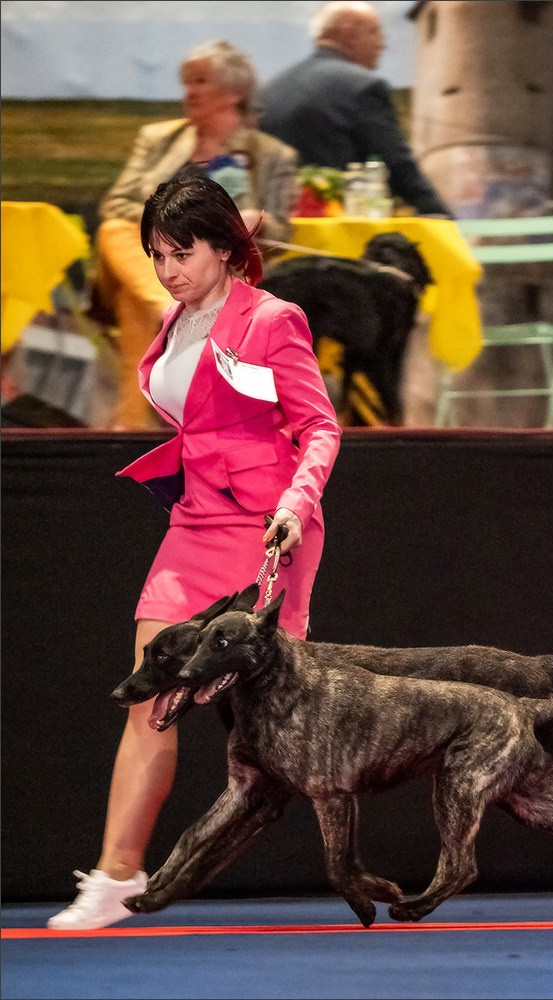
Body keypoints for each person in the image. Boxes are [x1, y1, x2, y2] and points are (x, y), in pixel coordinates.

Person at [47, 165, 342, 930]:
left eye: (181, 253)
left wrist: (294, 503)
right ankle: (116, 876)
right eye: (157, 255)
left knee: (280, 730)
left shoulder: (272, 319)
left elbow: (319, 428)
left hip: (264, 528)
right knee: (149, 698)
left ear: (224, 248)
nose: (167, 271)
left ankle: (367, 850)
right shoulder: (172, 323)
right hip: (192, 526)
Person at [95, 39, 300, 430]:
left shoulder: (273, 155)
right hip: (148, 256)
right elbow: (117, 202)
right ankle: (165, 304)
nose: (188, 92)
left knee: (133, 302)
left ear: (234, 92)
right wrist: (176, 226)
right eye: (186, 82)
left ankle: (132, 426)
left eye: (200, 81)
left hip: (216, 267)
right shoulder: (158, 140)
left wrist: (257, 221)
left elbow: (281, 233)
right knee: (115, 230)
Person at [260, 0, 451, 218]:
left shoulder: (270, 90)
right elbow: (397, 165)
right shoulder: (363, 86)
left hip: (276, 229)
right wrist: (444, 219)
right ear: (348, 32)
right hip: (340, 229)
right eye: (375, 32)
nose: (382, 44)